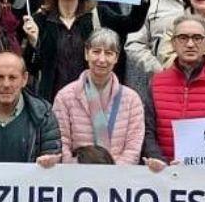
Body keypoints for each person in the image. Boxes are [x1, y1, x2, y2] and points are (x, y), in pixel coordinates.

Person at [25, 0, 144, 100]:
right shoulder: (40, 20)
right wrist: (33, 43)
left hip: (94, 102)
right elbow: (31, 68)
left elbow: (132, 24)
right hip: (52, 103)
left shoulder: (98, 14)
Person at [141, 14, 205, 167]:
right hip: (162, 176)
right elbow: (148, 130)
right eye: (182, 38)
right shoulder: (156, 83)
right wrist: (159, 161)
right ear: (173, 43)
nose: (190, 44)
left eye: (197, 38)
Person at [51, 28, 145, 164]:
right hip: (77, 174)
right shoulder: (65, 96)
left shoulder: (131, 99)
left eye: (108, 53)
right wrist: (76, 168)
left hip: (118, 178)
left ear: (116, 58)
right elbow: (61, 141)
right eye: (96, 52)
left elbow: (133, 146)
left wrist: (113, 173)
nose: (102, 59)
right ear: (86, 53)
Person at [0, 52, 62, 165]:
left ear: (24, 79)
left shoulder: (43, 117)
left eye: (12, 77)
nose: (6, 84)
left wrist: (49, 163)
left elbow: (52, 155)